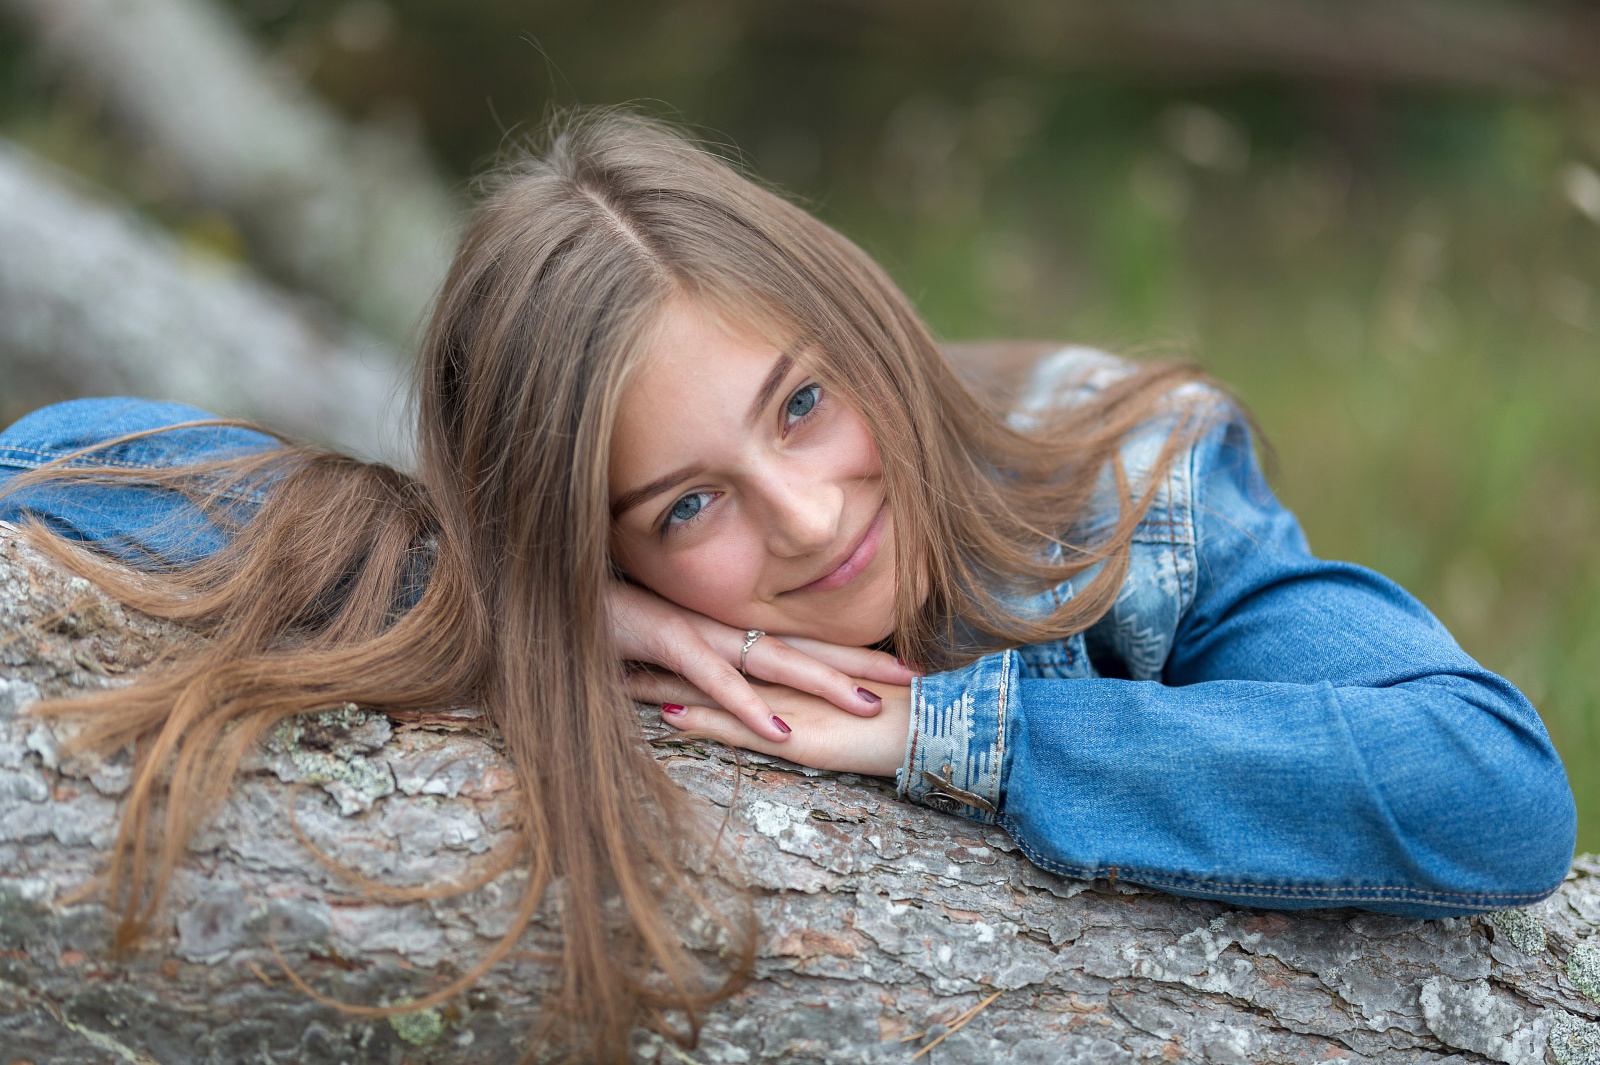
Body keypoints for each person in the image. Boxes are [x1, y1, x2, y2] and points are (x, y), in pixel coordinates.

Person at [0, 110, 1576, 1060]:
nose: (812, 517)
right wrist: (541, 609)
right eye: (689, 504)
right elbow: (54, 464)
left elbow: (1491, 787)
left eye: (805, 401)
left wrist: (952, 734)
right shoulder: (581, 590)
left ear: (861, 326)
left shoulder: (1130, 488)